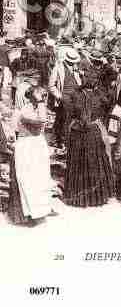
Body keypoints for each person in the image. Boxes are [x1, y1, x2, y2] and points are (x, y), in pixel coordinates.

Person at [64, 65, 115, 207]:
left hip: (83, 131)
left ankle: (80, 196)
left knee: (82, 162)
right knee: (93, 162)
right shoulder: (100, 95)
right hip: (89, 131)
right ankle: (94, 197)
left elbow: (71, 113)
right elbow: (106, 109)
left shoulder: (77, 94)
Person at [7, 86, 58, 225]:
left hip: (37, 145)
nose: (44, 100)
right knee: (29, 180)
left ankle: (43, 209)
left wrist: (41, 103)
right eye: (42, 97)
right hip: (27, 146)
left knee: (41, 178)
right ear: (34, 98)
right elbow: (41, 121)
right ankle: (30, 212)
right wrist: (41, 103)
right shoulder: (25, 110)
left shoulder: (35, 108)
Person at [48, 48, 82, 150]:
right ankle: (62, 140)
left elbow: (78, 82)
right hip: (64, 98)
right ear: (67, 60)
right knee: (64, 120)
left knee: (72, 120)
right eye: (71, 62)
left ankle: (66, 139)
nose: (72, 64)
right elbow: (51, 86)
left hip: (75, 97)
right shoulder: (58, 68)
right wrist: (60, 96)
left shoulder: (75, 69)